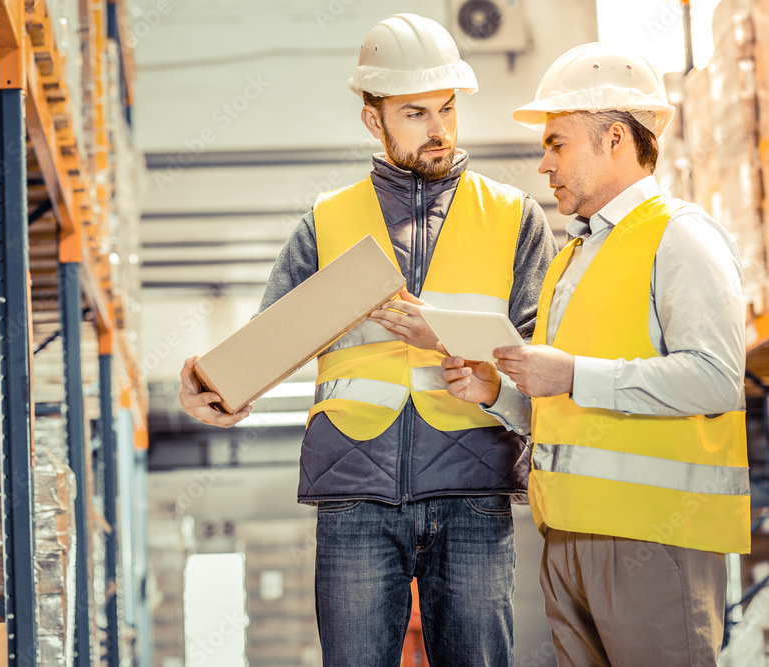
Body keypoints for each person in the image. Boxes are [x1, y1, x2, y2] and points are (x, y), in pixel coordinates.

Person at [179, 13, 557, 666]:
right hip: (354, 490)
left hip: (471, 490)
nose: (438, 129)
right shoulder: (324, 225)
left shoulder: (514, 219)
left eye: (446, 108)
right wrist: (209, 385)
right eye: (415, 113)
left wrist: (484, 376)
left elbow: (546, 375)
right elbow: (258, 350)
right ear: (372, 120)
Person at [442, 42, 751, 666]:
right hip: (569, 541)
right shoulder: (571, 259)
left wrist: (574, 374)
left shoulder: (680, 235)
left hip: (654, 539)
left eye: (556, 143)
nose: (543, 164)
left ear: (614, 138)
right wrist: (499, 394)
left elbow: (718, 378)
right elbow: (570, 403)